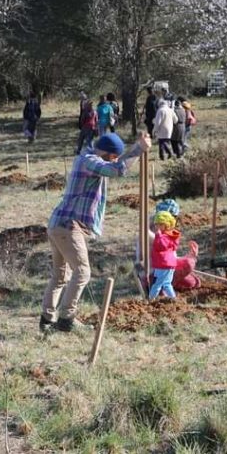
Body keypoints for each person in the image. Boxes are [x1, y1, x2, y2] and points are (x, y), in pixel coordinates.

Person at [41, 131, 151, 333]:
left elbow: (114, 167)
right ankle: (66, 319)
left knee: (59, 275)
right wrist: (138, 149)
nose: (115, 160)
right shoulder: (89, 161)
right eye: (113, 157)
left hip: (59, 224)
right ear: (109, 155)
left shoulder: (87, 158)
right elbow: (117, 170)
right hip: (67, 225)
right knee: (82, 272)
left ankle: (47, 321)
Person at [148, 211, 181, 299]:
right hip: (163, 264)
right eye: (156, 224)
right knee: (166, 284)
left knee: (157, 283)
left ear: (166, 224)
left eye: (159, 224)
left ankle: (151, 299)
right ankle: (173, 298)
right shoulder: (166, 235)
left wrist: (158, 236)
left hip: (165, 264)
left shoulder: (165, 236)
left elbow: (161, 246)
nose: (156, 227)